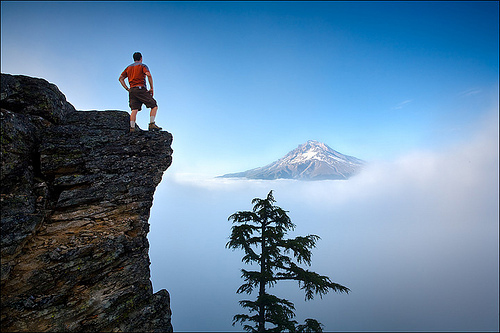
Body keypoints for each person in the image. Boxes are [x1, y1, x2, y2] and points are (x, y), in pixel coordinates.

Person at [119, 52, 162, 132]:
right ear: (141, 58)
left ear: (134, 58)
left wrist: (127, 88)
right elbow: (148, 75)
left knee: (134, 109)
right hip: (140, 88)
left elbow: (120, 78)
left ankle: (132, 128)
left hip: (132, 90)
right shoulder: (143, 66)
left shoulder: (128, 68)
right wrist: (151, 88)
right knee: (154, 105)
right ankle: (152, 124)